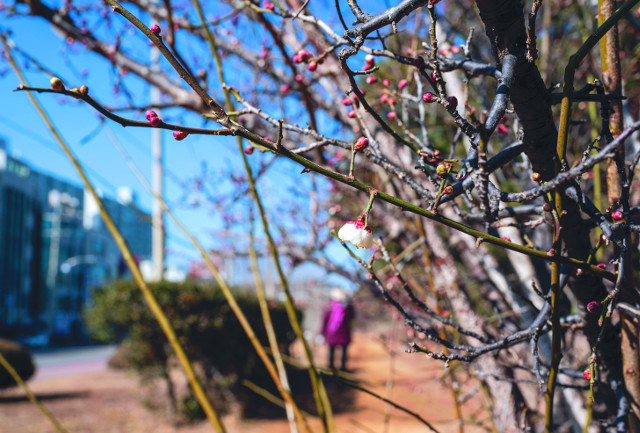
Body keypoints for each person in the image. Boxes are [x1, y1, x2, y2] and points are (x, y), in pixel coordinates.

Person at [321, 288, 355, 370]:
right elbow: (352, 318)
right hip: (342, 332)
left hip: (333, 333)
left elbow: (325, 320)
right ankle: (340, 368)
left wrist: (322, 332)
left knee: (333, 350)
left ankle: (333, 368)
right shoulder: (346, 306)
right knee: (341, 351)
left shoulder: (329, 306)